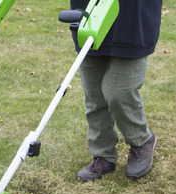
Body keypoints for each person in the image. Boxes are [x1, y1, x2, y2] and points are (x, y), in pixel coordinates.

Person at [70, 0, 163, 182]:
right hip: (91, 14)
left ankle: (141, 140)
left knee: (119, 92)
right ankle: (103, 156)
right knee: (94, 95)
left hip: (132, 17)